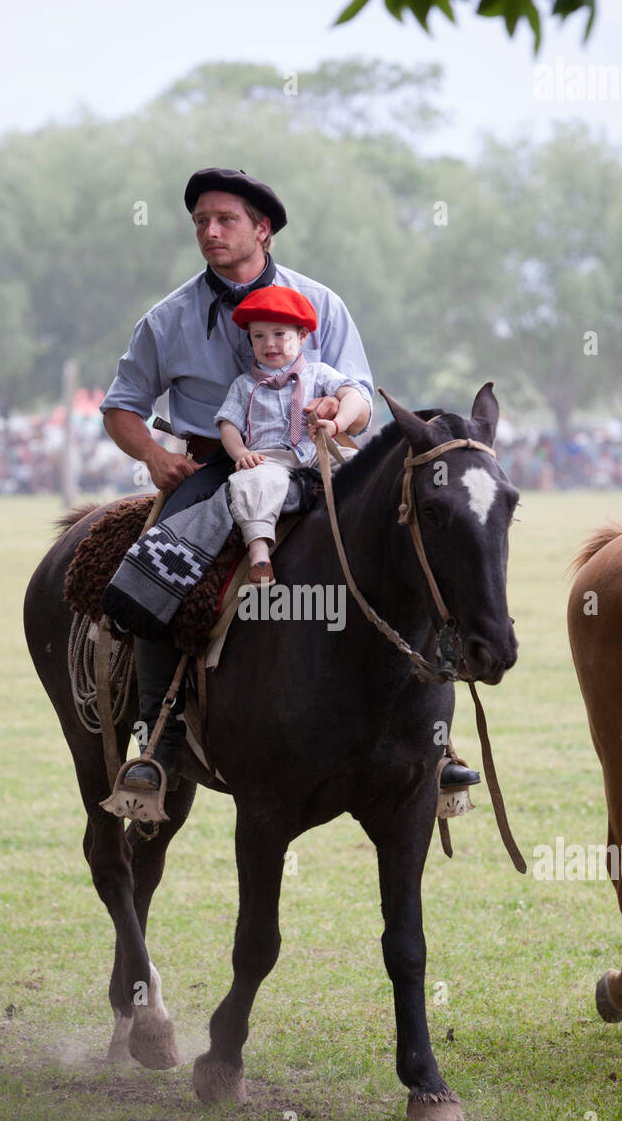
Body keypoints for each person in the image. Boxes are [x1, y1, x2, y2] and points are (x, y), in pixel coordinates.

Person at [100, 167, 478, 798]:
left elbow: (358, 389)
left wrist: (342, 412)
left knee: (413, 557)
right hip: (220, 466)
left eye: (225, 220)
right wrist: (154, 457)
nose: (210, 232)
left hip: (321, 461)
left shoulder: (322, 303)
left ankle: (433, 746)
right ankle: (157, 749)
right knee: (157, 573)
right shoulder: (166, 320)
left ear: (263, 230)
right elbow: (121, 406)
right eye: (200, 222)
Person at [217, 286, 370, 584]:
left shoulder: (319, 373)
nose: (269, 343)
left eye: (279, 334)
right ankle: (260, 553)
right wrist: (241, 454)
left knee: (363, 467)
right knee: (252, 483)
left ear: (302, 336)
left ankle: (373, 531)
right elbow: (228, 425)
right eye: (259, 335)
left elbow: (354, 395)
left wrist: (337, 424)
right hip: (269, 458)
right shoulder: (244, 385)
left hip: (316, 452)